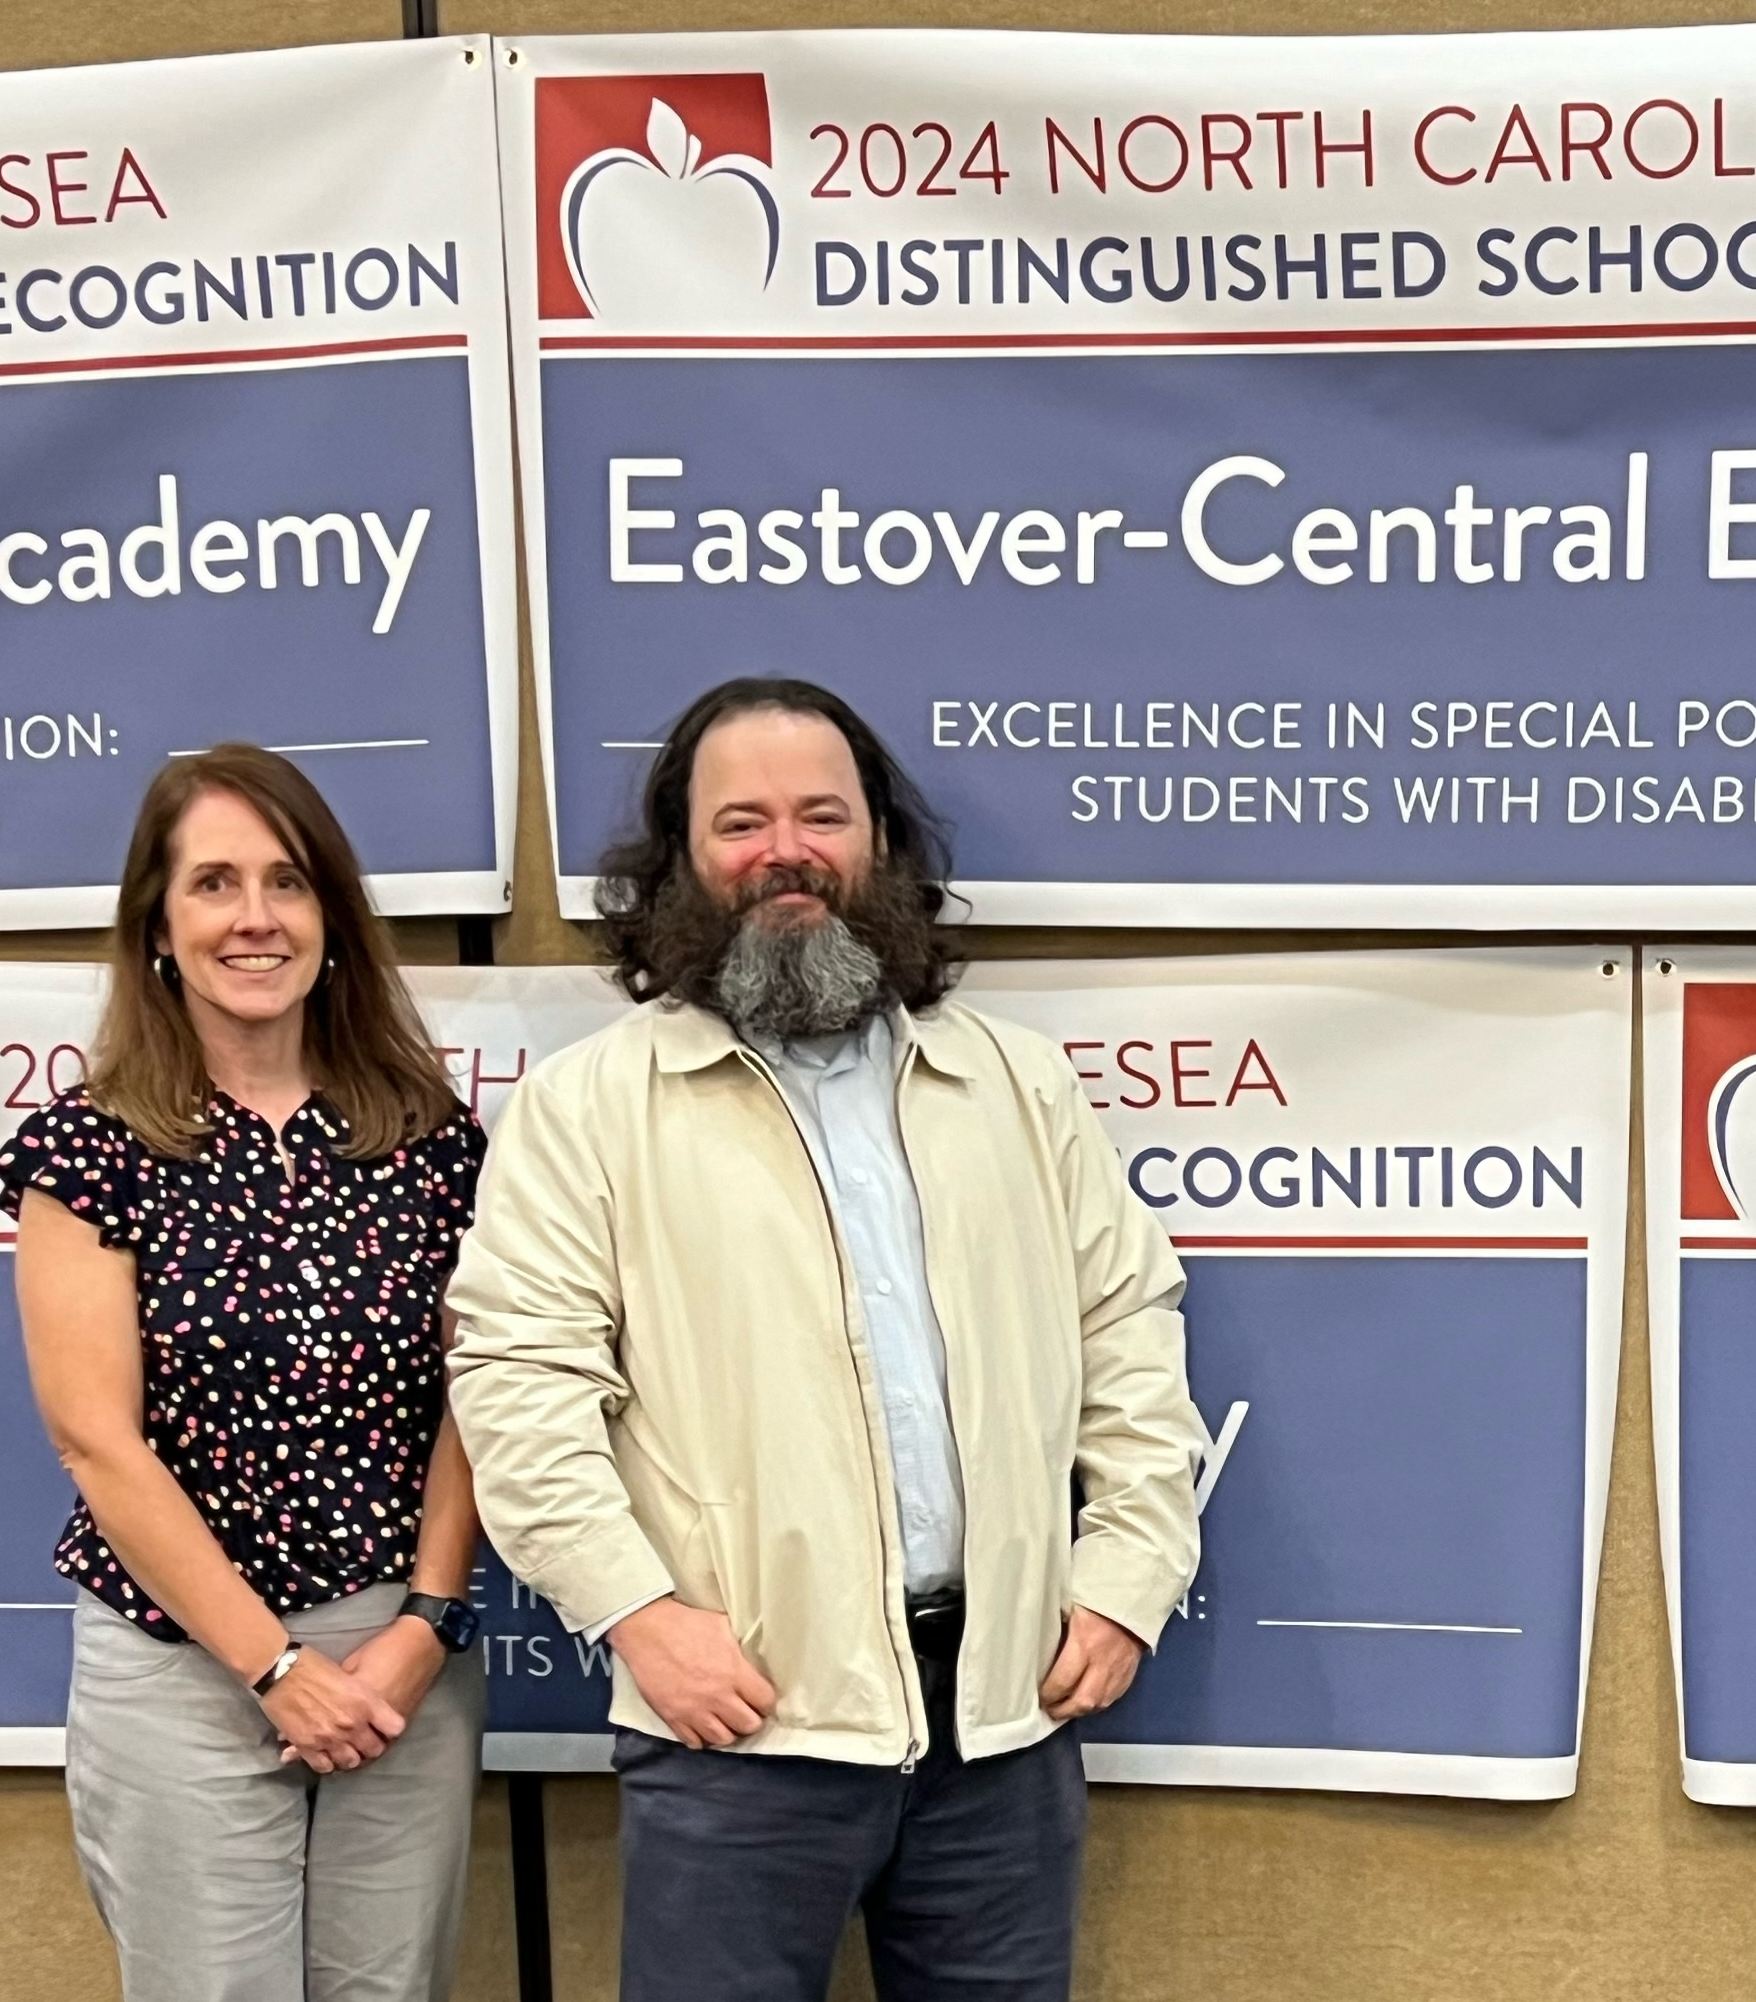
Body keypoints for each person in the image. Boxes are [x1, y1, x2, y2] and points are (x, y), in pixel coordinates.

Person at [445, 676, 1205, 2002]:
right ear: (679, 861)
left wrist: (1131, 1570)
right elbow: (517, 1387)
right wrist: (638, 1615)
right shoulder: (589, 1111)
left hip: (1006, 1720)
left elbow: (1126, 1332)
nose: (783, 851)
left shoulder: (1015, 1086)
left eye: (820, 814)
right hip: (739, 1729)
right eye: (738, 821)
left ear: (879, 847)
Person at [2, 747, 488, 2002]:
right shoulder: (88, 1149)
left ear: (332, 916)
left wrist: (425, 1626)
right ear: (159, 926)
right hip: (185, 1665)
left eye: (287, 882)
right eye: (213, 882)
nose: (255, 917)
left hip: (398, 1667)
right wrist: (274, 1668)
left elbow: (475, 1400)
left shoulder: (430, 1140)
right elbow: (96, 1443)